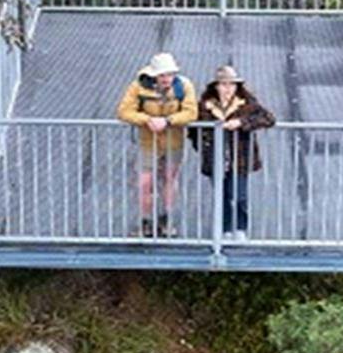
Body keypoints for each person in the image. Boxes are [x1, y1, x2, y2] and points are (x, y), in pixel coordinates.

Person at [116, 51, 196, 237]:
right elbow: (123, 111)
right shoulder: (138, 86)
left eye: (170, 74)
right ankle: (145, 222)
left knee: (169, 179)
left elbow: (191, 112)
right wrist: (146, 119)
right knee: (145, 183)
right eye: (162, 75)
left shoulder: (184, 86)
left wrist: (168, 121)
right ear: (154, 75)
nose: (167, 78)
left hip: (173, 141)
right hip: (148, 142)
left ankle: (165, 219)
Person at [197, 64, 275, 242]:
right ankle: (224, 229)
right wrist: (204, 146)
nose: (227, 88)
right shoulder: (205, 106)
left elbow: (268, 118)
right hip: (215, 158)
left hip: (240, 158)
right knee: (222, 196)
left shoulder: (246, 103)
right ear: (216, 86)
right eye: (223, 84)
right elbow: (195, 132)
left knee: (238, 195)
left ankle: (240, 227)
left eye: (231, 84)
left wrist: (242, 123)